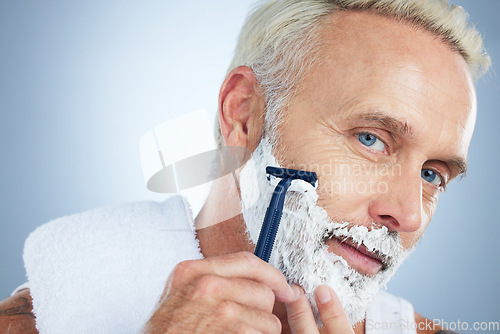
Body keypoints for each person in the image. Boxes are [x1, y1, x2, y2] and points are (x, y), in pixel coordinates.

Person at [0, 0, 491, 333]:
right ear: (244, 114)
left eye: (433, 175)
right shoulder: (43, 317)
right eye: (371, 140)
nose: (408, 215)